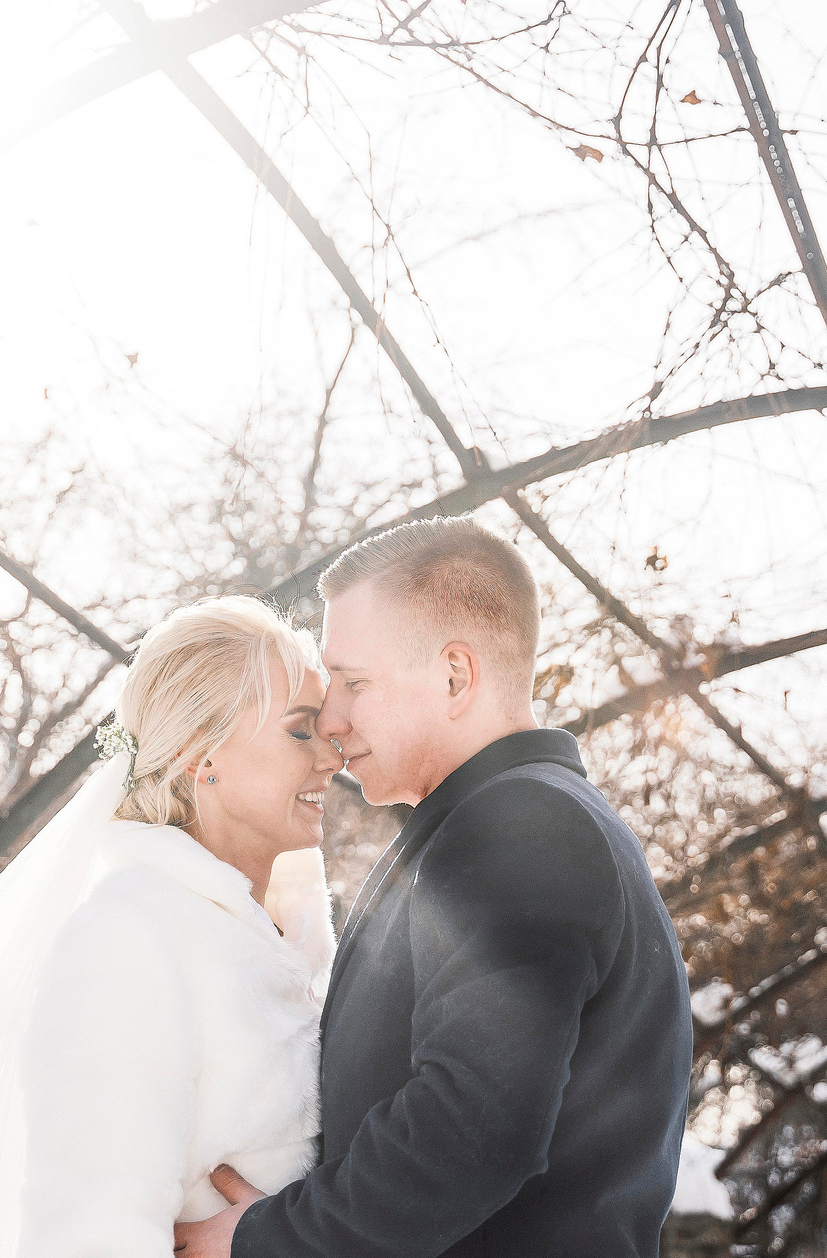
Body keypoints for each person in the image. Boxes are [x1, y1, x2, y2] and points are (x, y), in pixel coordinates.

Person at [175, 518, 694, 1258]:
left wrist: (273, 1239)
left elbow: (473, 1121)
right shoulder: (505, 822)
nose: (331, 718)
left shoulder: (523, 826)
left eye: (353, 683)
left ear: (456, 676)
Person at [0, 595, 342, 1258]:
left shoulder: (291, 938)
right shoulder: (132, 935)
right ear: (203, 753)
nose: (332, 756)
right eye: (302, 730)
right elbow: (92, 1229)